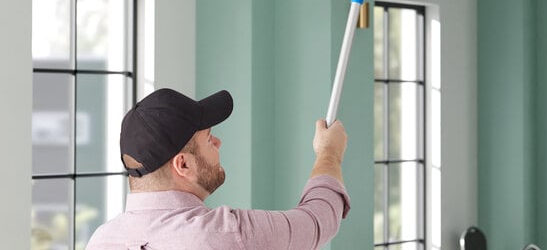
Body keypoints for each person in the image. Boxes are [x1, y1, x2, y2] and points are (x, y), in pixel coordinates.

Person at [85, 88, 350, 249]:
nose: (218, 142)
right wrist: (329, 153)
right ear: (184, 164)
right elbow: (317, 221)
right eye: (209, 138)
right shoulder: (224, 235)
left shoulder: (100, 241)